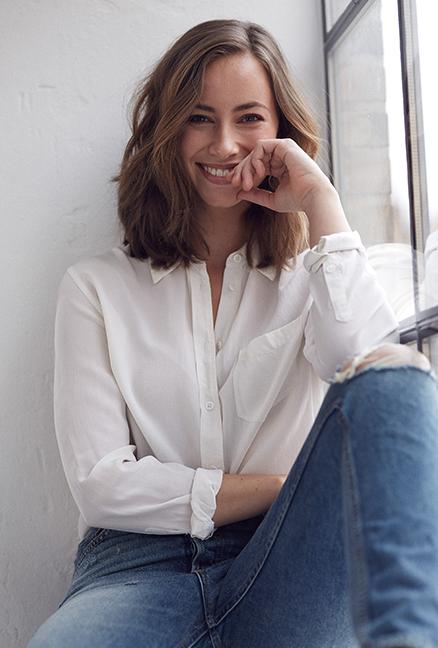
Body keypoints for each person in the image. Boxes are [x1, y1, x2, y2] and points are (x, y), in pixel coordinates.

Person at [28, 19, 438, 648]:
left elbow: (371, 379)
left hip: (286, 562)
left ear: (280, 131)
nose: (224, 145)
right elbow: (104, 486)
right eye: (199, 117)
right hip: (134, 569)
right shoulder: (95, 287)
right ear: (166, 130)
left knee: (397, 374)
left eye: (249, 117)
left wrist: (320, 201)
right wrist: (283, 488)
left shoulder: (313, 282)